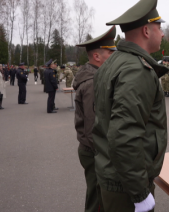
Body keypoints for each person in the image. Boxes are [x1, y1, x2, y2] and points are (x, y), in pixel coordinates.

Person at [93, 0, 168, 212]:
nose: (162, 33)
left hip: (115, 174)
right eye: (159, 27)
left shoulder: (114, 63)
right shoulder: (136, 70)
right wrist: (139, 193)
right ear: (146, 30)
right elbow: (124, 135)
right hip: (125, 185)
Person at [74, 26, 117, 212]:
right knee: (98, 201)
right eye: (110, 52)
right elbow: (94, 127)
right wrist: (105, 157)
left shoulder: (94, 76)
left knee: (95, 195)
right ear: (97, 57)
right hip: (95, 152)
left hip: (92, 150)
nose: (114, 56)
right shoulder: (93, 82)